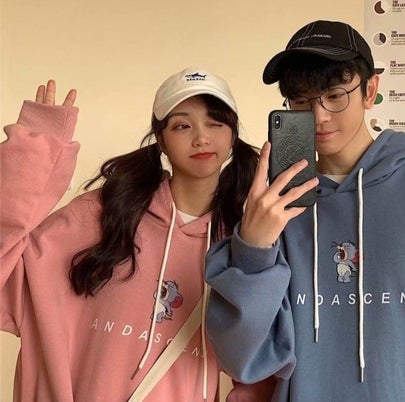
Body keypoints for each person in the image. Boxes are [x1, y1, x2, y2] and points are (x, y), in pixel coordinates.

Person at [204, 20, 405, 401]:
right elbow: (244, 360)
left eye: (334, 95)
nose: (319, 115)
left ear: (370, 90)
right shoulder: (281, 209)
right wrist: (253, 250)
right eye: (301, 101)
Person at [0, 67, 274, 401]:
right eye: (182, 125)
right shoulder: (103, 214)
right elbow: (7, 265)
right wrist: (30, 160)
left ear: (232, 135)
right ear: (161, 140)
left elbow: (257, 369)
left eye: (215, 123)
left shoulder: (242, 243)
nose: (201, 138)